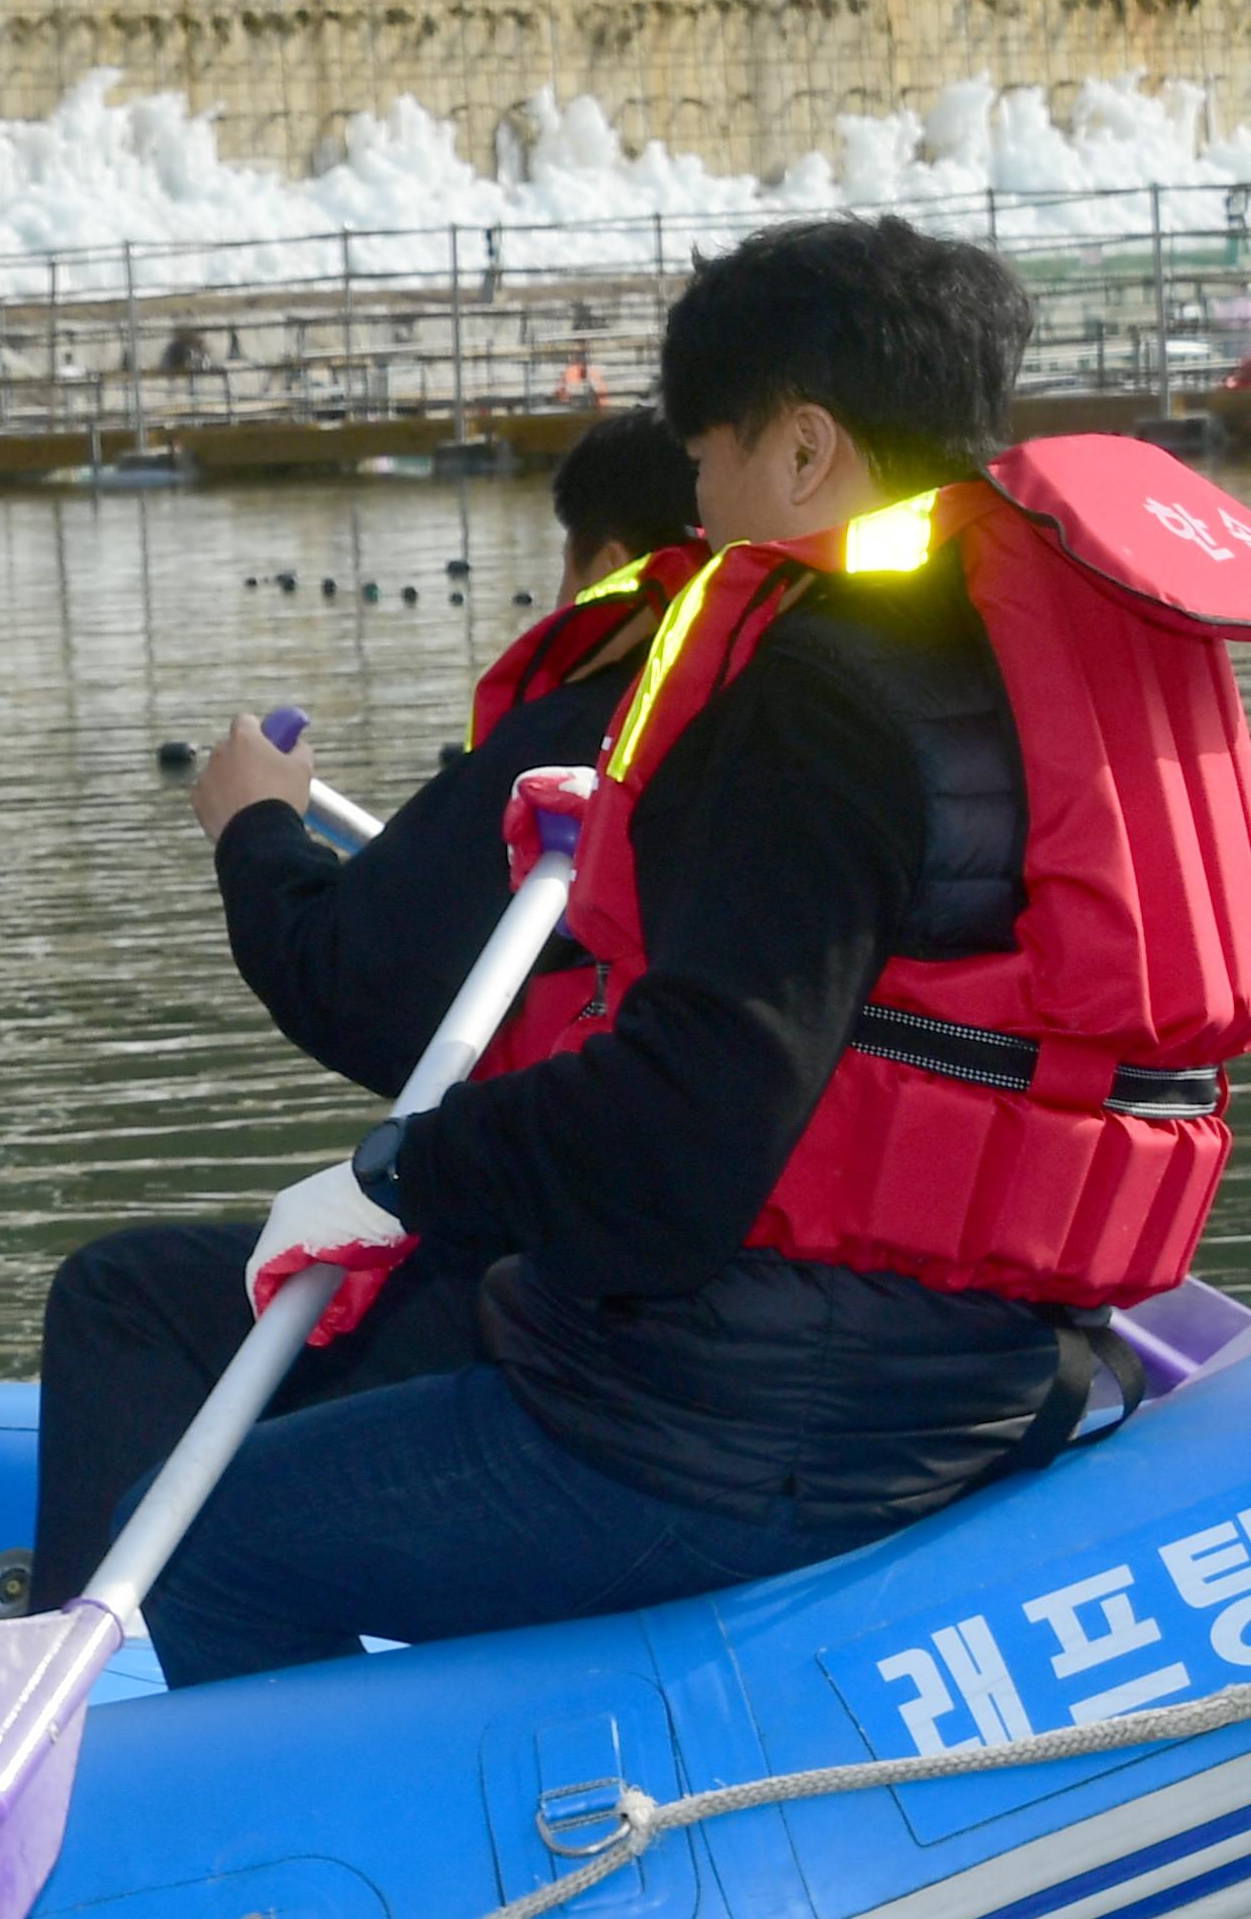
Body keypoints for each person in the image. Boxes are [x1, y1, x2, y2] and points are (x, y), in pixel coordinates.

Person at [141, 214, 1251, 1684]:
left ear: (803, 449)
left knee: (212, 1533)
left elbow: (689, 1125)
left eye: (707, 457)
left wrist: (392, 1178)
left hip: (771, 1415)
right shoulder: (1044, 646)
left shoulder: (818, 691)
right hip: (991, 1362)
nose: (702, 506)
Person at [25, 409, 705, 1606]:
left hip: (574, 1307)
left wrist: (254, 825)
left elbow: (355, 982)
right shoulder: (785, 713)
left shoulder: (600, 714)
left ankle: (85, 1679)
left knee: (118, 1293)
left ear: (602, 564)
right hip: (723, 1277)